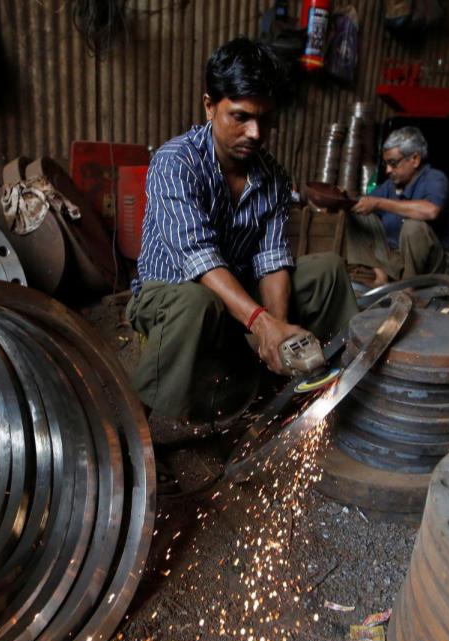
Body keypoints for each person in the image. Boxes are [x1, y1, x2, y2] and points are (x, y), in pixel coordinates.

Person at [126, 37, 358, 422]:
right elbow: (198, 259)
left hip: (238, 291)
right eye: (241, 117)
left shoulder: (273, 178)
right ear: (209, 106)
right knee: (198, 302)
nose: (255, 132)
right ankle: (138, 431)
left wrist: (278, 333)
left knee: (327, 271)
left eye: (265, 119)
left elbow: (271, 261)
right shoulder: (175, 163)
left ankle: (315, 391)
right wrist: (261, 323)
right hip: (169, 294)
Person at [347, 127, 449, 286]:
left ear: (415, 159)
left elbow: (431, 211)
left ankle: (409, 287)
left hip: (431, 266)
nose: (388, 170)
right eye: (386, 164)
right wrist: (342, 200)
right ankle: (381, 277)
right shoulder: (390, 185)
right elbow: (365, 202)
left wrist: (379, 203)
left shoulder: (435, 179)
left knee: (413, 226)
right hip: (397, 258)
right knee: (358, 216)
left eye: (393, 163)